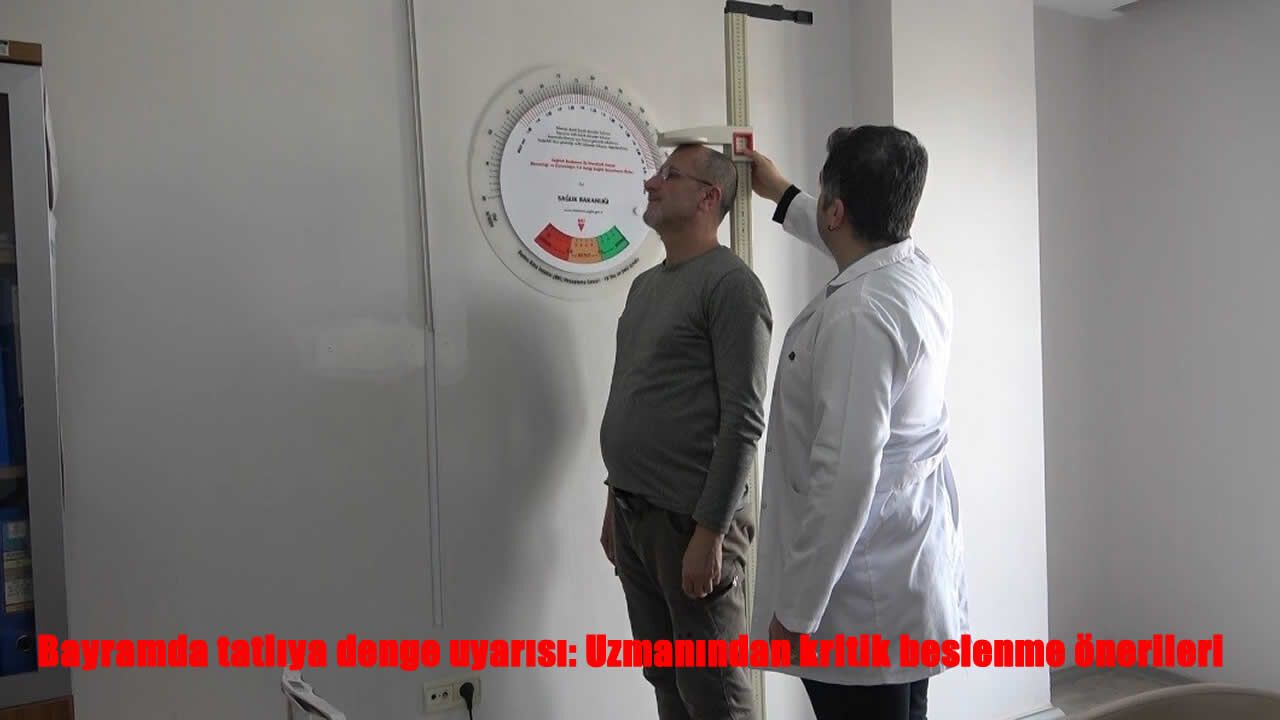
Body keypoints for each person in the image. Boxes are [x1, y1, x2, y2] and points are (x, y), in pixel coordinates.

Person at [746, 127, 969, 720]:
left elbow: (845, 478)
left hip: (858, 596)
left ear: (836, 210)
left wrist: (797, 612)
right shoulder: (915, 269)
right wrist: (782, 194)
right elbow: (852, 244)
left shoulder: (859, 315)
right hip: (903, 567)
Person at [599, 143, 772, 720]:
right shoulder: (646, 286)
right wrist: (615, 500)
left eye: (669, 174)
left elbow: (744, 419)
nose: (652, 183)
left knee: (715, 693)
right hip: (636, 516)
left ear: (708, 197)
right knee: (667, 680)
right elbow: (634, 396)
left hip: (691, 524)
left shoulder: (731, 286)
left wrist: (710, 532)